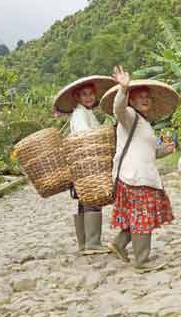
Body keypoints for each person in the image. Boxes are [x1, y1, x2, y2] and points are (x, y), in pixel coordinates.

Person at [100, 66, 179, 273]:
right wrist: (123, 89)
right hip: (134, 177)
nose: (144, 99)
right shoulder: (129, 117)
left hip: (139, 176)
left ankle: (118, 245)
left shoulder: (144, 123)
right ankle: (141, 261)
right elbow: (118, 108)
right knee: (142, 216)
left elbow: (147, 151)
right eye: (139, 97)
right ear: (132, 101)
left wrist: (165, 150)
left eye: (147, 97)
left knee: (136, 216)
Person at [53, 76, 117, 255]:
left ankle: (84, 243)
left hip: (83, 164)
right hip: (87, 163)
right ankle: (93, 243)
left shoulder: (85, 113)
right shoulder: (80, 114)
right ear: (78, 98)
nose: (88, 97)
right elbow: (85, 137)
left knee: (84, 200)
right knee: (92, 199)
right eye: (84, 94)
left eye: (90, 94)